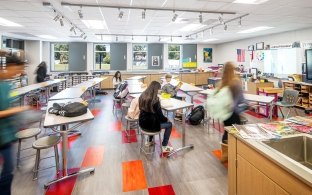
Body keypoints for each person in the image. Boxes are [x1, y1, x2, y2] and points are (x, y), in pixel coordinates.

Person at [0, 51, 29, 195]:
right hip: (2, 135)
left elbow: (9, 104)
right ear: (9, 66)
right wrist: (16, 110)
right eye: (18, 70)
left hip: (6, 137)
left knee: (7, 173)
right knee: (6, 174)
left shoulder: (8, 86)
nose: (19, 73)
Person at [218, 62, 246, 162]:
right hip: (233, 112)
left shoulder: (223, 82)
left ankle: (225, 154)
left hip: (224, 112)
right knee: (235, 132)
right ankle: (234, 154)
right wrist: (247, 105)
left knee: (227, 131)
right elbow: (241, 99)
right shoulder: (235, 81)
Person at [139, 81, 174, 153]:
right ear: (155, 89)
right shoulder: (155, 100)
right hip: (151, 126)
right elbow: (160, 116)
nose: (159, 91)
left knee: (152, 119)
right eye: (159, 89)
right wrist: (166, 119)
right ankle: (164, 146)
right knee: (169, 124)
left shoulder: (142, 96)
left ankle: (149, 141)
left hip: (142, 123)